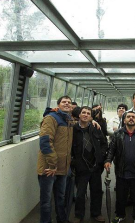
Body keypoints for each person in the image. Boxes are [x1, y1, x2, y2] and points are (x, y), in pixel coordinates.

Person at [104, 111, 135, 223]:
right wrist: (108, 160)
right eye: (128, 117)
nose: (131, 118)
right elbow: (112, 150)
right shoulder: (117, 134)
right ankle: (120, 215)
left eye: (133, 117)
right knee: (121, 197)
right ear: (124, 120)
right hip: (122, 171)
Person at [38, 95, 74, 223]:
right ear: (58, 105)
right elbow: (45, 142)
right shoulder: (51, 118)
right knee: (46, 200)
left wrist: (93, 120)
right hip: (49, 167)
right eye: (64, 102)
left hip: (63, 167)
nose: (67, 104)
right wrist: (53, 165)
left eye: (69, 102)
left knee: (60, 197)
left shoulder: (69, 120)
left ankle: (62, 219)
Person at [71, 106, 108, 223]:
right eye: (83, 113)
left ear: (91, 116)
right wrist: (74, 162)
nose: (86, 115)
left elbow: (104, 144)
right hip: (81, 167)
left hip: (95, 166)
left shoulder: (96, 128)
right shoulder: (73, 130)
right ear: (79, 115)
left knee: (96, 192)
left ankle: (96, 213)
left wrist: (100, 156)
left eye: (88, 113)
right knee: (80, 193)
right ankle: (78, 215)